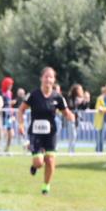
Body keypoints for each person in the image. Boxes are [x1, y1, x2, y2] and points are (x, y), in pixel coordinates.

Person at [18, 67, 75, 195]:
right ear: (41, 78)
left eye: (51, 77)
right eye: (46, 77)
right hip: (35, 132)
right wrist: (21, 124)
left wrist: (71, 116)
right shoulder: (33, 95)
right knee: (39, 162)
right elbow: (21, 110)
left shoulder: (58, 97)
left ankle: (46, 186)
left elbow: (66, 111)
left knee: (50, 160)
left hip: (51, 133)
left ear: (54, 80)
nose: (48, 79)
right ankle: (35, 165)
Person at [94, 82, 106, 151]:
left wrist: (104, 109)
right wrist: (105, 110)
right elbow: (98, 108)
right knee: (100, 136)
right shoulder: (100, 98)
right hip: (102, 120)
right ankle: (99, 150)